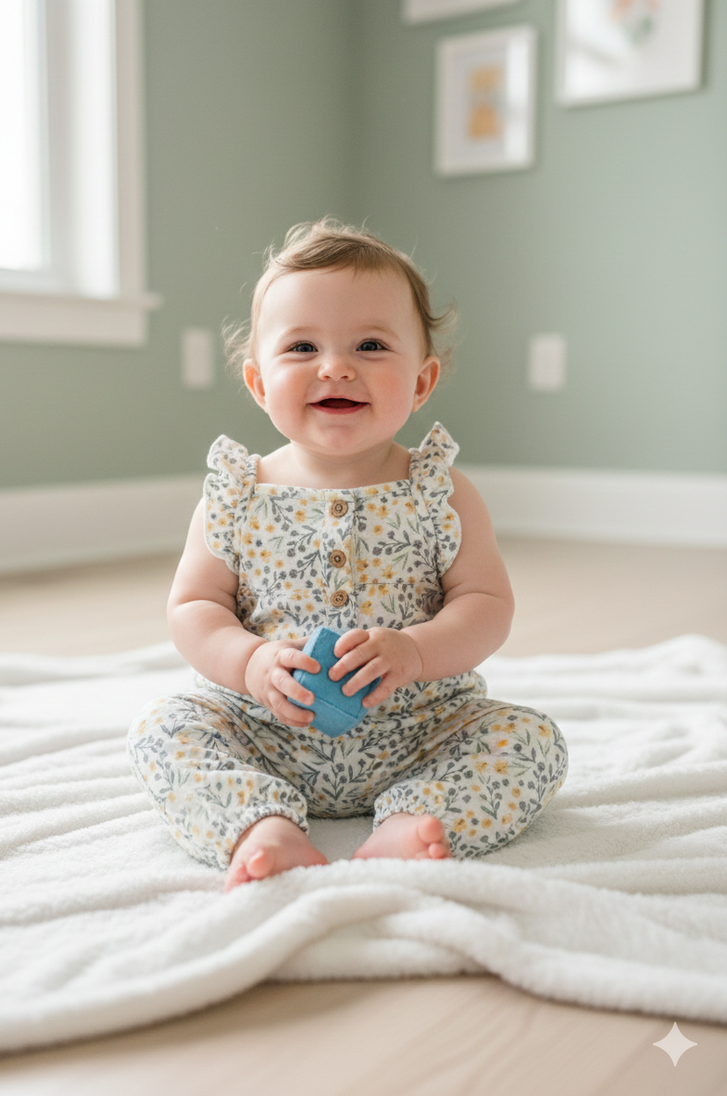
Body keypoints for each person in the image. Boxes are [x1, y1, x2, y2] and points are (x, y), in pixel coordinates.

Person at [127, 219, 567, 890]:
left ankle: (416, 819)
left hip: (420, 729)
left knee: (530, 739)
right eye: (302, 346)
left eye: (370, 344)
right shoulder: (237, 494)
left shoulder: (440, 490)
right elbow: (195, 605)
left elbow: (487, 603)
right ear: (258, 382)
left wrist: (415, 652)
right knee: (163, 729)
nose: (336, 366)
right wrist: (249, 662)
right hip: (265, 729)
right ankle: (259, 824)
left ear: (421, 383)